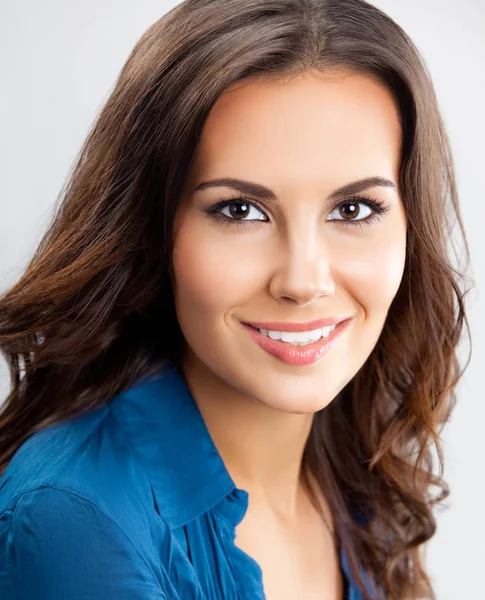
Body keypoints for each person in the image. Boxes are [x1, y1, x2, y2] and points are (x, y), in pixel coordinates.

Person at [0, 0, 471, 598]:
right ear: (152, 230)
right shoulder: (79, 520)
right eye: (240, 210)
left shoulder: (353, 481)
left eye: (353, 210)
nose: (303, 280)